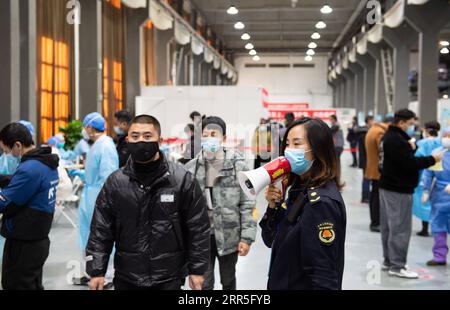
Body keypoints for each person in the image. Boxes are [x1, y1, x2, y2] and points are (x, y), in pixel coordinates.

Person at [86, 115, 210, 290]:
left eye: (147, 136)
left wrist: (197, 270)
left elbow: (198, 227)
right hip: (127, 276)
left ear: (159, 140)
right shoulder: (116, 182)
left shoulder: (181, 180)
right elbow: (101, 228)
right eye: (135, 137)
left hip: (168, 277)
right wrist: (97, 270)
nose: (141, 141)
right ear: (127, 139)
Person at [260, 117, 346, 290]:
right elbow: (270, 239)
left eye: (297, 144)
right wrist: (273, 207)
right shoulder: (298, 190)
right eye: (288, 144)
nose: (289, 150)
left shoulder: (321, 203)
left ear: (317, 149)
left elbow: (324, 275)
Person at [185, 116, 257, 290]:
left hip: (229, 235)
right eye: (205, 134)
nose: (209, 138)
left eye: (214, 134)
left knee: (228, 280)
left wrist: (247, 238)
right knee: (204, 283)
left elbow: (248, 203)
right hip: (201, 238)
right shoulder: (191, 168)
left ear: (224, 138)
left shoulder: (238, 165)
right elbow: (184, 209)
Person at [379, 109, 442, 279]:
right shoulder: (396, 140)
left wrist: (411, 148)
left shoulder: (390, 137)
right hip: (397, 189)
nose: (412, 127)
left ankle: (389, 261)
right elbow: (409, 164)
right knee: (399, 228)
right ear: (402, 123)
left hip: (387, 186)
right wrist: (432, 159)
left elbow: (398, 160)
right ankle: (398, 265)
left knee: (389, 227)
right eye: (411, 124)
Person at [0, 123, 59, 290]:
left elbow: (5, 203)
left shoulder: (30, 168)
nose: (8, 154)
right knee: (32, 284)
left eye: (7, 150)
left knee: (15, 284)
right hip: (37, 238)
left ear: (17, 145)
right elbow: (23, 183)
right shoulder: (46, 163)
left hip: (24, 242)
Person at [74, 112, 119, 285]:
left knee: (101, 236)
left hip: (98, 197)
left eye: (85, 126)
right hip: (90, 195)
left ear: (90, 127)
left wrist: (104, 203)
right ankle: (92, 271)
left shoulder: (105, 145)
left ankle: (106, 275)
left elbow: (107, 177)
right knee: (89, 235)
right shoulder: (97, 144)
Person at [421, 126, 450, 266]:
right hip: (439, 196)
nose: (447, 139)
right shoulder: (437, 153)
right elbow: (428, 173)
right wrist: (425, 190)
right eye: (445, 135)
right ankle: (439, 256)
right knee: (438, 227)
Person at [413, 121, 442, 237]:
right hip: (440, 176)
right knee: (437, 202)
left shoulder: (421, 143)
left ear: (426, 130)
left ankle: (424, 228)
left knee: (424, 202)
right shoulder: (442, 143)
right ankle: (438, 228)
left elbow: (417, 160)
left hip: (424, 176)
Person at [365, 115, 392, 232]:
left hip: (372, 168)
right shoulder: (380, 133)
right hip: (378, 170)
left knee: (374, 197)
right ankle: (376, 222)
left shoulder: (373, 129)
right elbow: (383, 151)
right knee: (377, 198)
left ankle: (375, 221)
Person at [358, 116, 374, 203]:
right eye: (372, 120)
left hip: (367, 160)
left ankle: (366, 196)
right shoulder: (365, 132)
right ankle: (365, 197)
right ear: (369, 121)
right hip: (366, 160)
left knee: (367, 179)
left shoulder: (366, 132)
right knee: (366, 179)